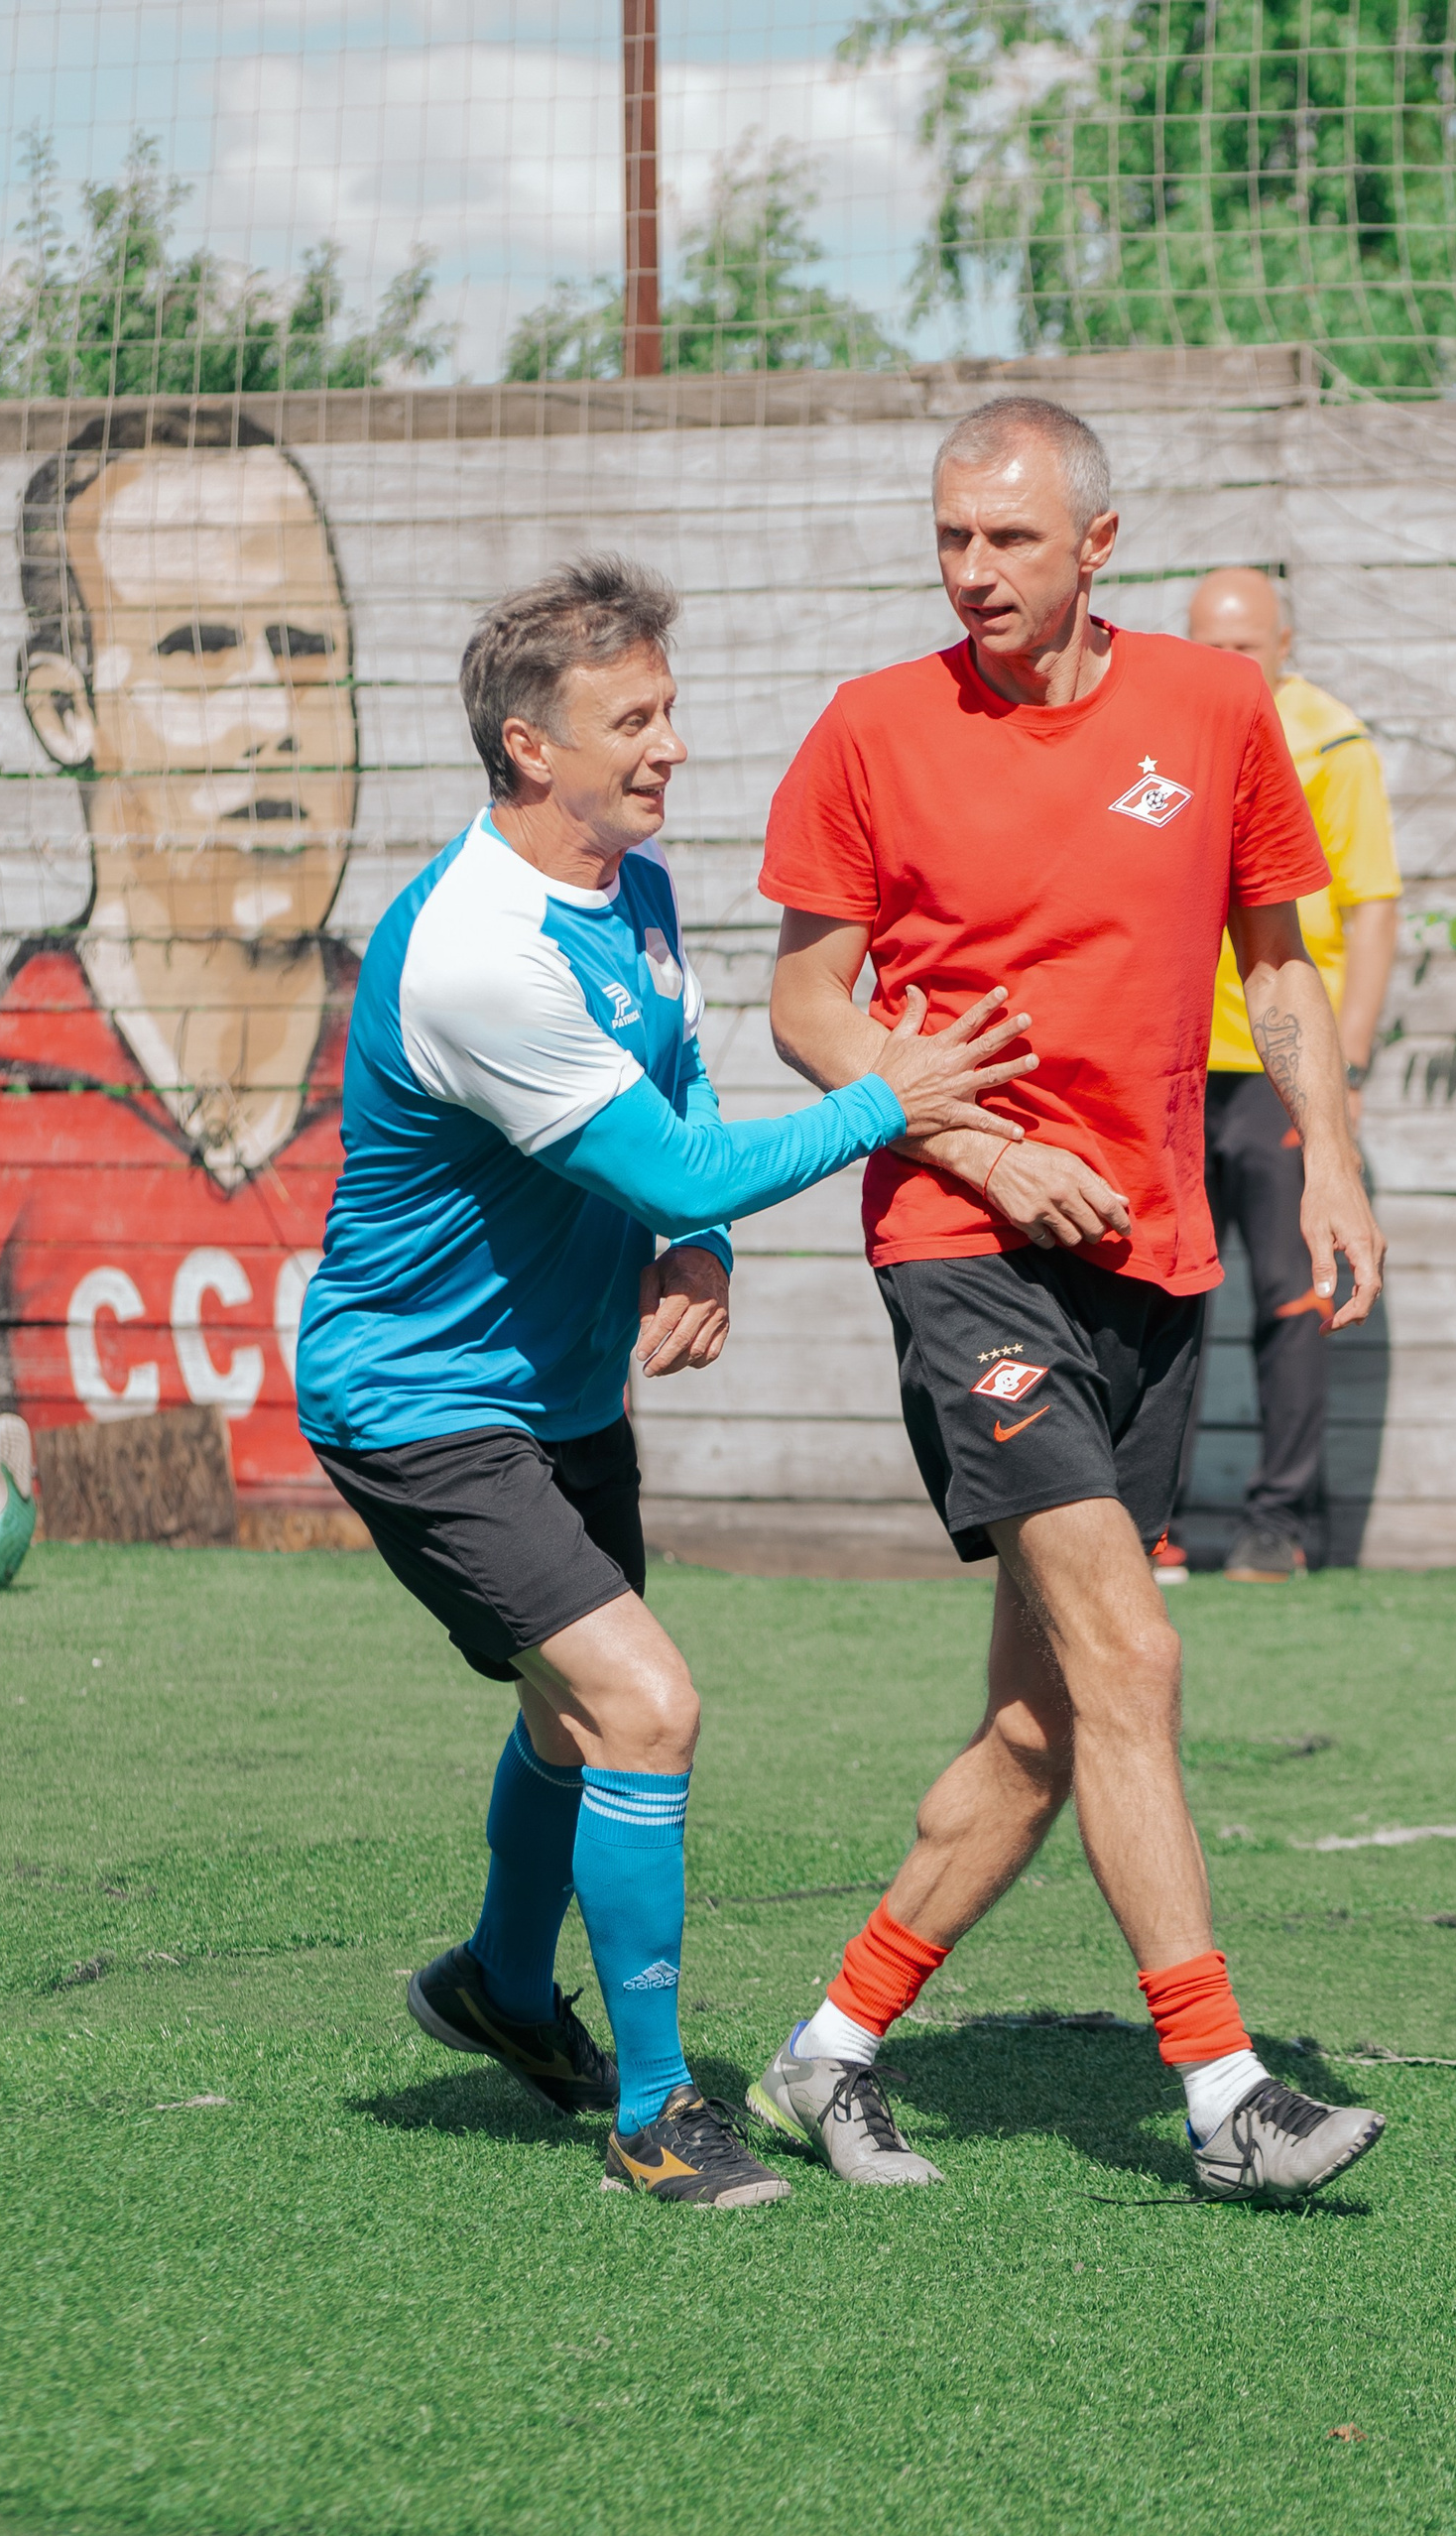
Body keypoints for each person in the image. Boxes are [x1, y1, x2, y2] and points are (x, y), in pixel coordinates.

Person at [293, 555, 1032, 2206]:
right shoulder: (478, 950)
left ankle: (494, 1978)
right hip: (419, 1404)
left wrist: (698, 1244)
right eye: (631, 719)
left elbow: (676, 1078)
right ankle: (650, 2114)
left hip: (555, 1396)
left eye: (669, 709)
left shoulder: (628, 881)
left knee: (575, 1721)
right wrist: (888, 1097)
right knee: (644, 1704)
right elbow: (668, 1156)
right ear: (524, 746)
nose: (670, 745)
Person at [752, 395, 1391, 2201]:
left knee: (1045, 1731)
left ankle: (827, 2052)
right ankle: (1224, 2091)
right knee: (1135, 1657)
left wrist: (1330, 1158)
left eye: (1008, 543)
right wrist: (971, 1146)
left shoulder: (1211, 707)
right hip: (959, 1249)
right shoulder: (872, 730)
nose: (972, 574)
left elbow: (1280, 955)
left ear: (1096, 543)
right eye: (951, 538)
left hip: (1155, 1256)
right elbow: (810, 1007)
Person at [0, 412, 361, 1527]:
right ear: (66, 709)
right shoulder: (13, 1083)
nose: (272, 721)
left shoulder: (433, 1076)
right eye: (198, 651)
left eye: (305, 656)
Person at [1185, 568, 1401, 1581]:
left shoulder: (1330, 741)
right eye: (1205, 642)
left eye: (1243, 644)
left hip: (1280, 1069)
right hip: (1175, 1064)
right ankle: (1148, 1523)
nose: (1225, 662)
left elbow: (1369, 907)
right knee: (1155, 1296)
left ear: (1285, 641)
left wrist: (1343, 1064)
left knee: (1290, 1293)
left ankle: (1278, 1524)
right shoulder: (1166, 734)